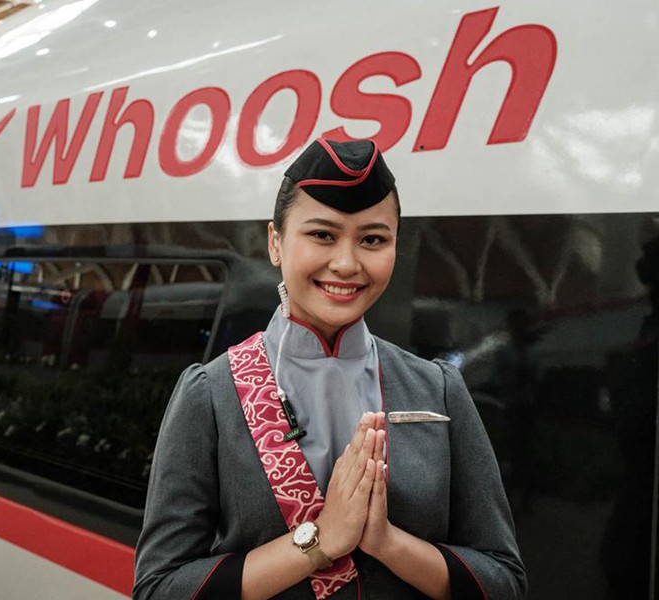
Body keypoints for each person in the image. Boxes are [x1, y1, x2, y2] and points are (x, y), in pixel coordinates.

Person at [133, 138, 526, 600]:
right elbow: (158, 588)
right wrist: (322, 540)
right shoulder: (212, 394)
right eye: (322, 235)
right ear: (275, 242)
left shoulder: (435, 389)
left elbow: (504, 580)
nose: (346, 263)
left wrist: (387, 542)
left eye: (373, 239)